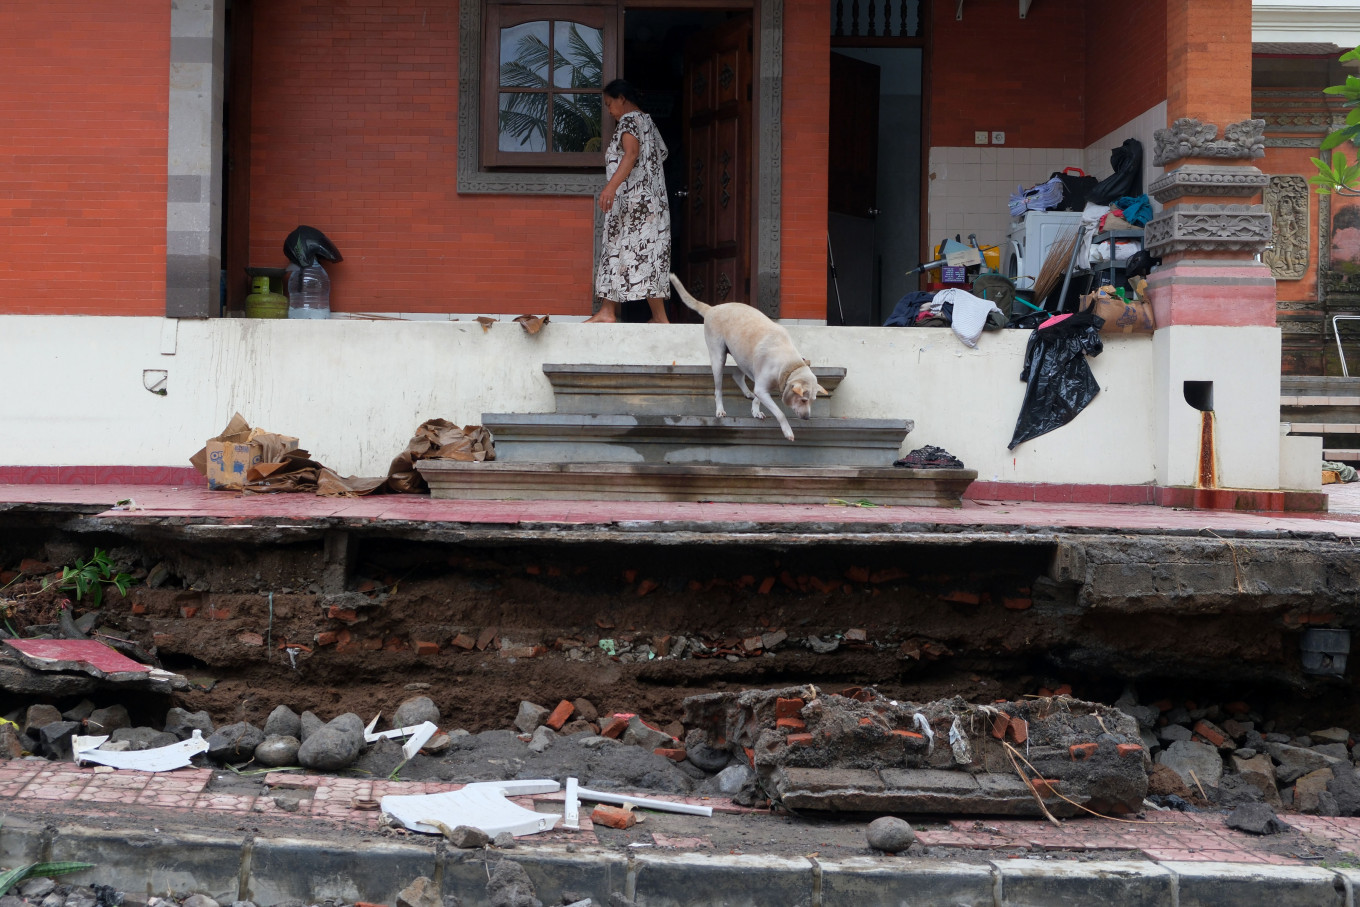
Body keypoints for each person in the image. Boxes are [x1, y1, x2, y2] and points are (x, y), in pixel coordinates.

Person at [585, 79, 671, 324]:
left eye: (609, 104)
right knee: (650, 255)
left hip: (631, 203)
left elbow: (631, 154)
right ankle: (658, 317)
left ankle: (608, 312)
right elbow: (660, 156)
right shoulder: (648, 122)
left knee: (615, 249)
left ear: (622, 98)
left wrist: (610, 187)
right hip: (652, 203)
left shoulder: (629, 120)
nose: (610, 110)